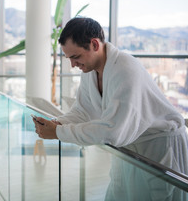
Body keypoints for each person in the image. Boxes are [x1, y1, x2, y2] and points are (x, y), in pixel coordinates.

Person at [33, 17, 188, 173]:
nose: (73, 65)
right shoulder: (89, 71)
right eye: (69, 59)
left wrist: (59, 132)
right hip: (127, 149)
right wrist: (57, 124)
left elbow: (113, 131)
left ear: (94, 44)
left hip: (159, 149)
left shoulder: (125, 69)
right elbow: (83, 112)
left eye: (76, 57)